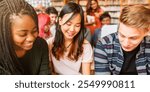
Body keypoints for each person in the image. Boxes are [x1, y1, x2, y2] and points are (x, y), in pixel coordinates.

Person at [94, 5, 150, 75]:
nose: (126, 43)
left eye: (133, 38)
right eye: (122, 35)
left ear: (147, 31)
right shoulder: (103, 45)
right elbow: (103, 83)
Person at [0, 0, 50, 75]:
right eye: (22, 34)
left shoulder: (41, 45)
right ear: (6, 33)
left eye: (34, 31)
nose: (31, 38)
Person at [47, 2, 93, 75]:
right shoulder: (49, 43)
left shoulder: (85, 45)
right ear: (60, 20)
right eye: (68, 24)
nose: (72, 29)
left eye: (77, 25)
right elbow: (50, 72)